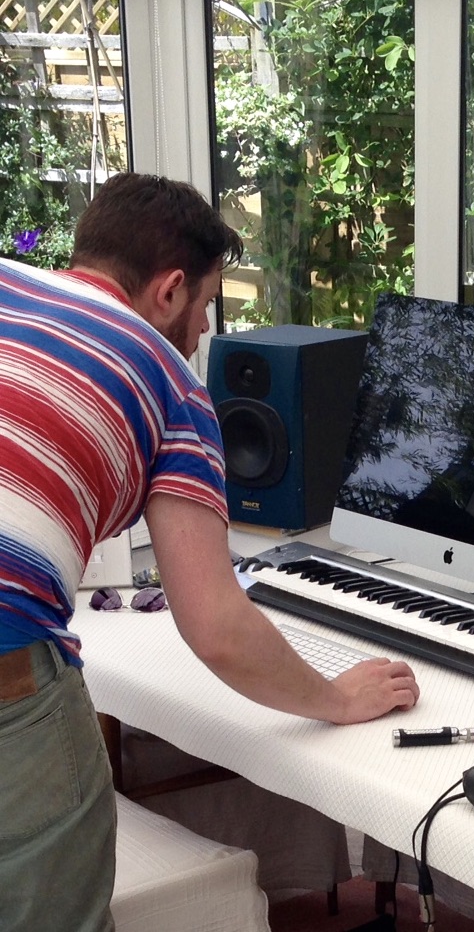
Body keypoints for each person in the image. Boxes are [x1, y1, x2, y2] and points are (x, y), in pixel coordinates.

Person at [0, 172, 420, 932]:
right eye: (203, 306)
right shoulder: (171, 386)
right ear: (169, 290)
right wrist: (335, 698)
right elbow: (219, 628)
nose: (201, 334)